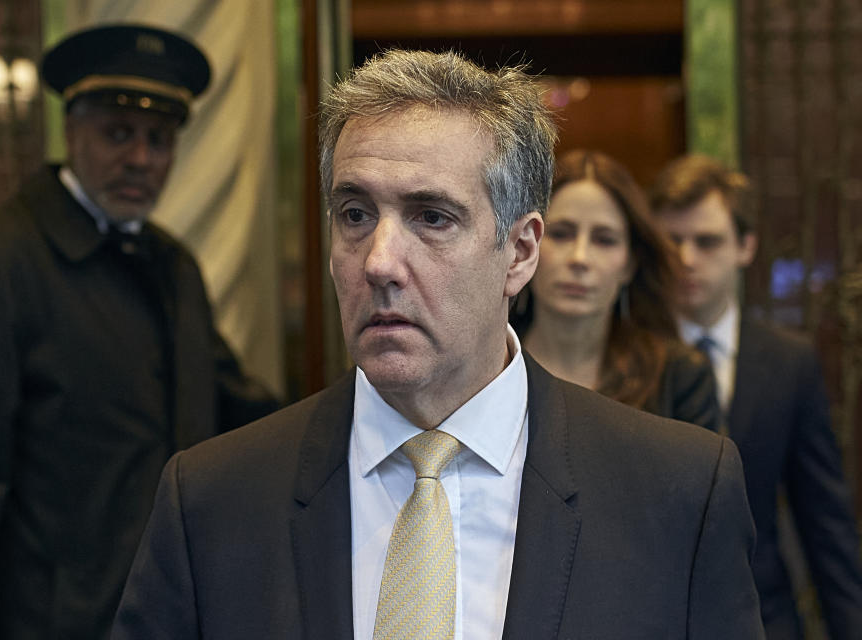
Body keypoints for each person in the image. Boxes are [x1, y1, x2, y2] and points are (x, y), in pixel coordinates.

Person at [112, 49, 764, 639]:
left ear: (520, 251)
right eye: (355, 214)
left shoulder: (676, 494)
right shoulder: (211, 502)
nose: (380, 262)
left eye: (432, 217)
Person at [0, 24, 276, 640]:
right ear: (72, 130)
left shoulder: (172, 265)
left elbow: (235, 407)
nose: (140, 159)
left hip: (170, 610)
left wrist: (363, 409)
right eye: (118, 133)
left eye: (159, 139)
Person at [651, 154, 862, 639]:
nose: (686, 258)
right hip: (651, 614)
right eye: (672, 240)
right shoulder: (628, 354)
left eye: (707, 242)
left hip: (765, 617)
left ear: (745, 246)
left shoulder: (790, 362)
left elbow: (824, 519)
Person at [513, 149, 720, 431]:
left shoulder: (679, 377)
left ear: (630, 263)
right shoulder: (485, 366)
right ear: (525, 246)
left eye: (604, 240)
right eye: (561, 234)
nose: (580, 257)